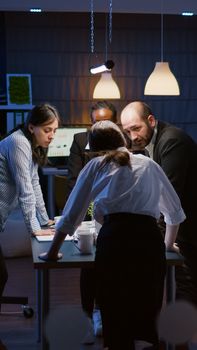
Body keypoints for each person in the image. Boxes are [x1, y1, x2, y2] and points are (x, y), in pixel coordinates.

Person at [39, 120, 185, 350]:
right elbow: (174, 213)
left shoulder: (97, 164)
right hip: (149, 243)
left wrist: (53, 252)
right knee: (147, 317)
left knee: (116, 315)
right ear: (122, 141)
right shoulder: (149, 164)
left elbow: (72, 214)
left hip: (115, 243)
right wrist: (167, 245)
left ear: (97, 149)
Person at [120, 100, 197, 307]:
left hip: (189, 225)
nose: (133, 137)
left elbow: (169, 194)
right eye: (127, 131)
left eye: (136, 128)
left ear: (151, 121)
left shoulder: (173, 141)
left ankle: (178, 336)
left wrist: (150, 232)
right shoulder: (148, 142)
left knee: (186, 281)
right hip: (179, 220)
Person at [65, 100, 119, 340]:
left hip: (115, 211)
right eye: (97, 122)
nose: (101, 126)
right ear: (90, 122)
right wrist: (86, 212)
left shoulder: (122, 143)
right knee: (89, 263)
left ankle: (107, 314)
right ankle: (88, 315)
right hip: (88, 208)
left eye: (106, 122)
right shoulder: (80, 141)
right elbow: (74, 180)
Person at [0, 103, 60, 310]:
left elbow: (35, 185)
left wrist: (45, 220)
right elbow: (25, 191)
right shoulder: (19, 143)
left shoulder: (30, 144)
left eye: (54, 130)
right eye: (47, 129)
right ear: (32, 126)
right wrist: (35, 230)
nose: (52, 135)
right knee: (1, 275)